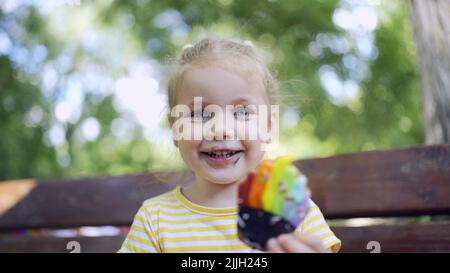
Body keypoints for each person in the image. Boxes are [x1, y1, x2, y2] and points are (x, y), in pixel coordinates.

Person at [118, 37, 341, 253]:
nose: (221, 129)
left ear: (269, 125)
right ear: (176, 128)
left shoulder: (293, 210)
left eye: (242, 112)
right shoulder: (155, 219)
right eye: (200, 113)